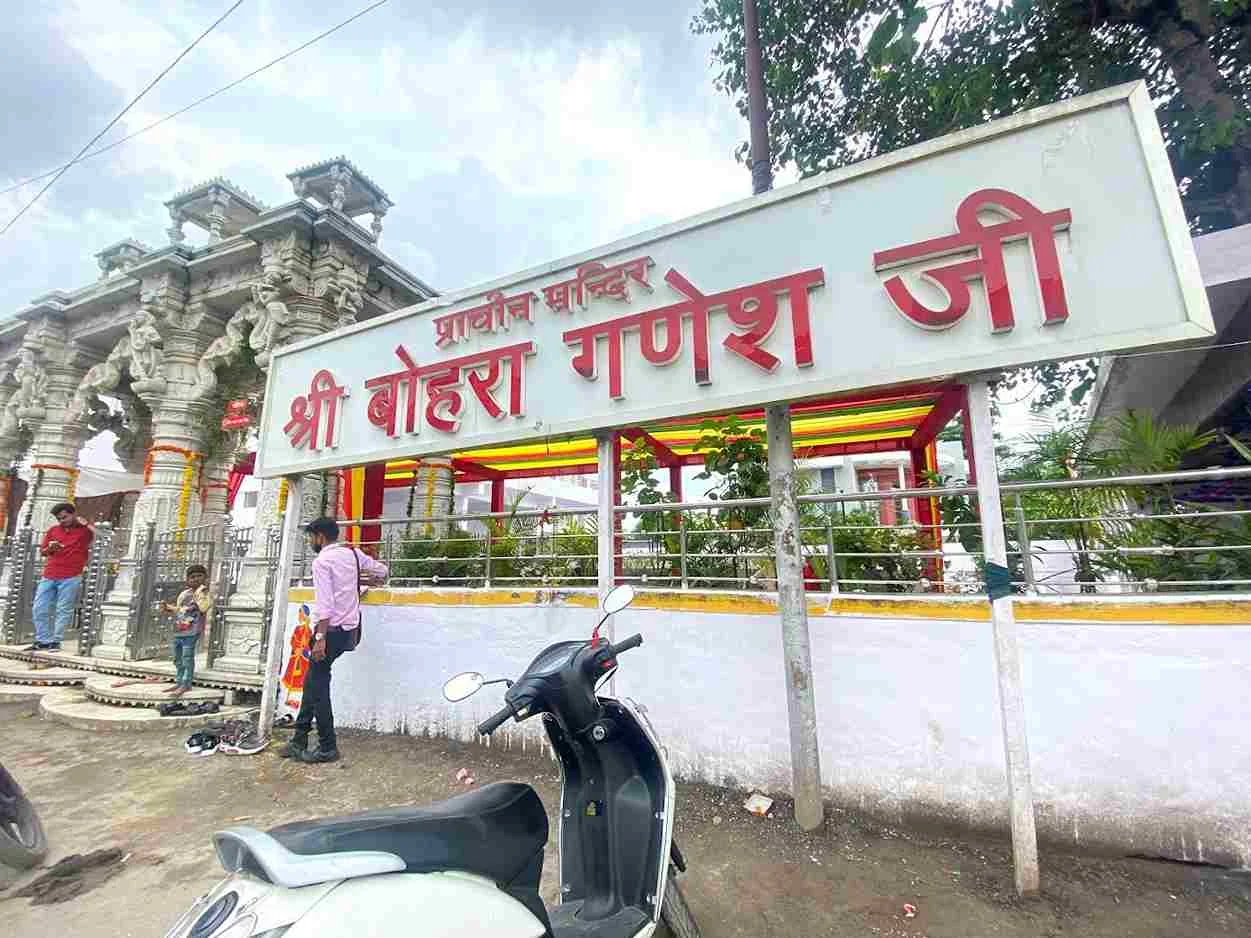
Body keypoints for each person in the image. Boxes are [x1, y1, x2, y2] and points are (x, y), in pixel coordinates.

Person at [282, 517, 387, 764]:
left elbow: (325, 605)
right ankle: (298, 739)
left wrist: (319, 639)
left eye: (311, 537)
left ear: (319, 536)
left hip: (328, 632)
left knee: (318, 688)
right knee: (312, 680)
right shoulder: (351, 554)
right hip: (348, 631)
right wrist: (359, 580)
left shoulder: (322, 562)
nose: (310, 542)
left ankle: (328, 746)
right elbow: (382, 571)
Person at [27, 502, 94, 652]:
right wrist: (50, 548)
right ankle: (43, 640)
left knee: (63, 609)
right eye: (59, 519)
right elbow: (43, 552)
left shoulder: (85, 532)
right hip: (49, 574)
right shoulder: (53, 530)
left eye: (64, 517)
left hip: (71, 576)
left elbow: (105, 537)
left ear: (73, 514)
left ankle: (56, 641)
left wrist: (88, 524)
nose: (62, 521)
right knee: (39, 607)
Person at [161, 564, 212, 696]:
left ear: (205, 578)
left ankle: (186, 684)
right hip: (180, 629)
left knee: (187, 657)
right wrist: (168, 608)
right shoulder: (184, 594)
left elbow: (203, 608)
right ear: (187, 580)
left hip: (192, 631)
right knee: (177, 657)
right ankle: (179, 681)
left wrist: (199, 593)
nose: (196, 579)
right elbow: (180, 610)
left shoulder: (204, 594)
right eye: (192, 577)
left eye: (199, 576)